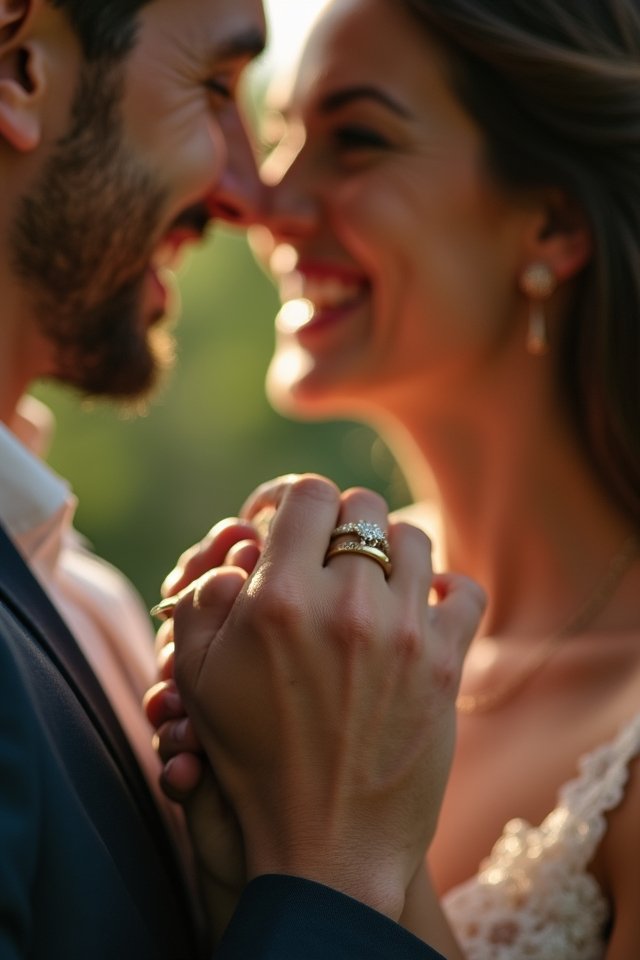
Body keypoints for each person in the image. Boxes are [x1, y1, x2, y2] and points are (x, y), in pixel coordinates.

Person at [153, 0, 640, 956]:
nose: (269, 200)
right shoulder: (296, 628)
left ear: (549, 223)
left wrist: (346, 838)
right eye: (287, 132)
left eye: (358, 140)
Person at [0, 0, 485, 957]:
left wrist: (248, 877)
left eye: (360, 139)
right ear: (17, 71)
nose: (255, 196)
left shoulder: (80, 593)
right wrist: (327, 872)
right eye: (216, 89)